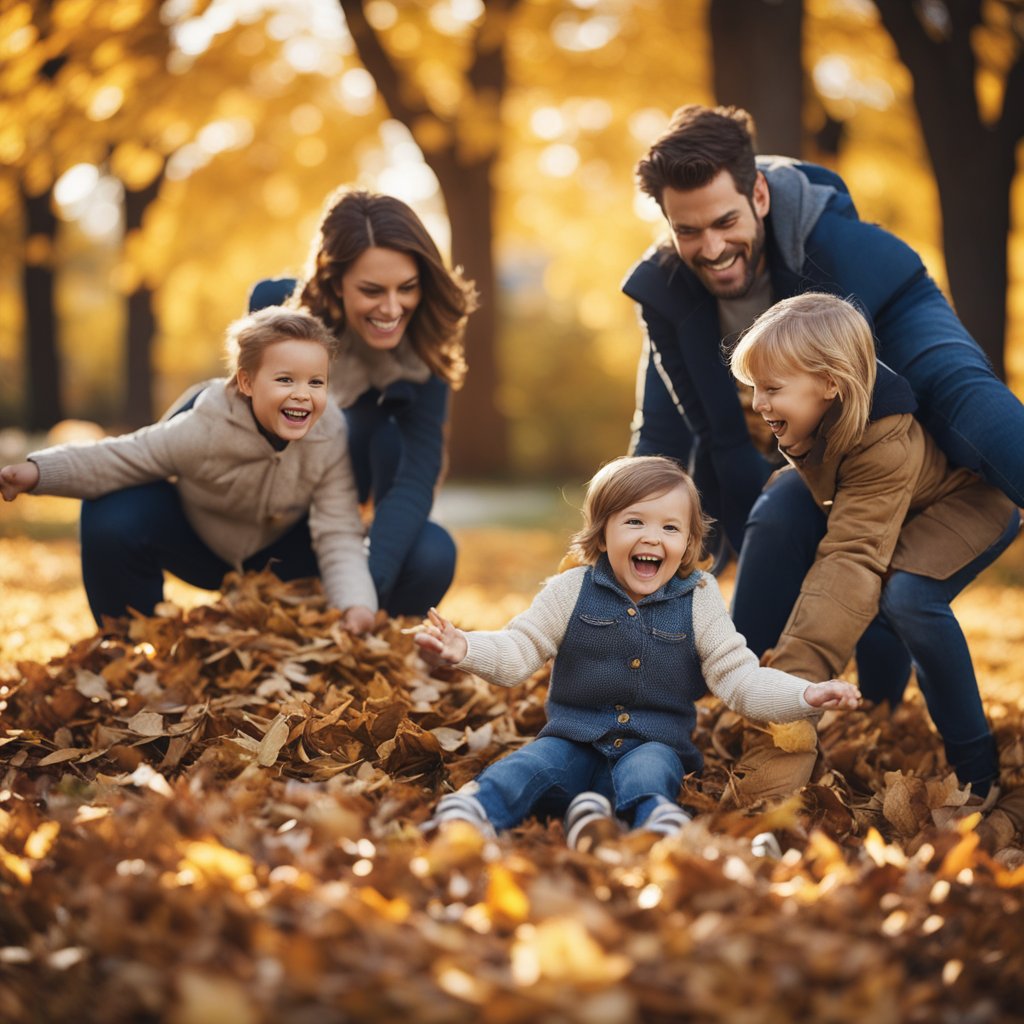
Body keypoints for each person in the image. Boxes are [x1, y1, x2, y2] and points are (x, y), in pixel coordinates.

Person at [622, 104, 1024, 683]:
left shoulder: (833, 246)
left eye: (725, 222)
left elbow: (909, 419)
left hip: (883, 313)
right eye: (688, 230)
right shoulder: (666, 292)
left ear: (758, 195)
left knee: (961, 398)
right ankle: (737, 685)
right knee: (745, 495)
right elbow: (702, 446)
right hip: (786, 432)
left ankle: (882, 689)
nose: (711, 248)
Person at [412, 455, 860, 847]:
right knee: (530, 765)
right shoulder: (571, 589)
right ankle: (474, 812)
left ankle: (651, 825)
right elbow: (519, 649)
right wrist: (463, 647)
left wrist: (804, 695)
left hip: (653, 744)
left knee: (648, 772)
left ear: (687, 542)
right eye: (634, 521)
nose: (652, 537)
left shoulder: (698, 597)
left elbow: (740, 680)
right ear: (603, 535)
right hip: (573, 740)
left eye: (670, 527)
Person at [729, 293, 1019, 800]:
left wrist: (791, 693)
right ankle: (879, 710)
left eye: (771, 389)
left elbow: (850, 562)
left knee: (908, 598)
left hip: (971, 505)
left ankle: (978, 770)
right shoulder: (818, 410)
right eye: (755, 388)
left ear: (830, 384)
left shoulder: (883, 442)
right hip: (906, 508)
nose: (759, 403)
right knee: (787, 503)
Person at [0, 307, 378, 633]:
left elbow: (338, 531)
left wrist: (357, 605)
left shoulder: (330, 433)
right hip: (203, 547)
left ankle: (300, 632)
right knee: (109, 511)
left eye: (316, 382)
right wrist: (37, 473)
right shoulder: (206, 427)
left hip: (277, 560)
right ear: (246, 381)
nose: (302, 393)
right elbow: (121, 457)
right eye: (285, 379)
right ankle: (131, 649)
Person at [248, 188, 478, 617]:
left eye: (407, 288)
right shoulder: (275, 311)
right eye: (372, 290)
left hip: (351, 538)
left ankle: (362, 638)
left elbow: (415, 477)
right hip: (268, 524)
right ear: (334, 282)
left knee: (433, 551)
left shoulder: (423, 348)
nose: (393, 308)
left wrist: (362, 591)